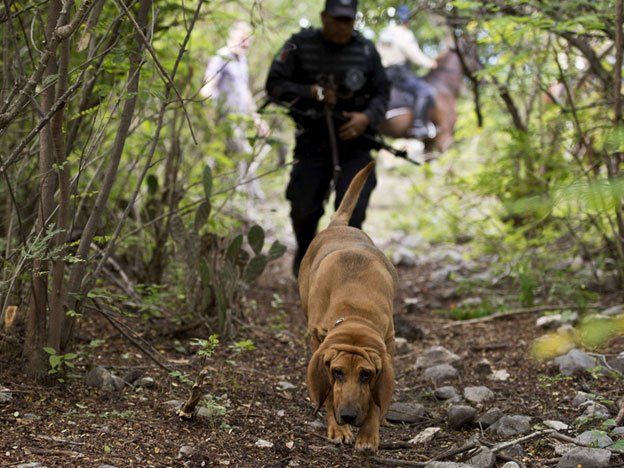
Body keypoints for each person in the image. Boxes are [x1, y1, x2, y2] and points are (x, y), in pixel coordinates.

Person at [265, 0, 390, 277]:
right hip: (312, 142)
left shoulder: (366, 50)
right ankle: (307, 260)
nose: (342, 27)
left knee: (351, 213)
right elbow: (274, 85)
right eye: (337, 20)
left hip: (356, 143)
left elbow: (383, 92)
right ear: (324, 17)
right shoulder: (299, 45)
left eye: (348, 21)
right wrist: (311, 92)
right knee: (303, 209)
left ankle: (343, 273)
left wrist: (366, 118)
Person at [200, 21, 268, 200]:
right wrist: (207, 113)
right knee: (244, 153)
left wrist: (257, 119)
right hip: (224, 119)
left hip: (240, 119)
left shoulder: (242, 60)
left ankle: (232, 196)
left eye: (248, 40)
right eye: (242, 39)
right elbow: (208, 86)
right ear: (232, 37)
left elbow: (245, 93)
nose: (245, 44)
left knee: (224, 158)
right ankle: (253, 197)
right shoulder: (221, 57)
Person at [376, 5, 437, 139]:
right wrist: (430, 63)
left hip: (383, 73)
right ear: (405, 20)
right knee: (426, 91)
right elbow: (414, 54)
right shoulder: (404, 33)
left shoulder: (384, 33)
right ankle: (418, 125)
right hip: (399, 74)